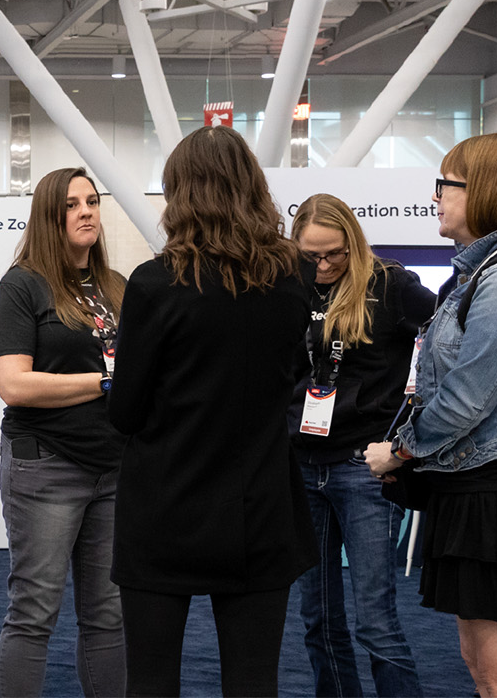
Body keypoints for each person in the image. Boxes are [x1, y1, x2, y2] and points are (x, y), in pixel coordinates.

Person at [107, 126, 317, 697]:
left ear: (182, 194)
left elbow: (124, 412)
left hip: (165, 507)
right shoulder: (295, 276)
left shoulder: (154, 284)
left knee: (150, 682)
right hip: (260, 508)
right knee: (253, 682)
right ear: (252, 188)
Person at [366, 132, 497, 697]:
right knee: (480, 663)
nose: (436, 197)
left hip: (489, 491)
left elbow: (469, 398)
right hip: (467, 484)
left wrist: (400, 449)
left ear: (487, 191)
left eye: (447, 184)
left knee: (493, 670)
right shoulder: (474, 275)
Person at [0, 167, 126, 698]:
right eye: (71, 204)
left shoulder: (116, 287)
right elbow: (14, 385)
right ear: (50, 215)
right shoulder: (22, 286)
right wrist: (106, 383)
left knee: (109, 615)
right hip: (45, 466)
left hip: (113, 468)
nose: (86, 211)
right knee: (34, 612)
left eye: (91, 201)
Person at [287, 194, 432, 697]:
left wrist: (411, 431)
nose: (323, 266)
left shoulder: (390, 285)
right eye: (312, 256)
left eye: (334, 254)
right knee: (317, 619)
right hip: (301, 467)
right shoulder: (289, 287)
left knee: (376, 621)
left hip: (363, 470)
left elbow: (451, 340)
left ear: (353, 242)